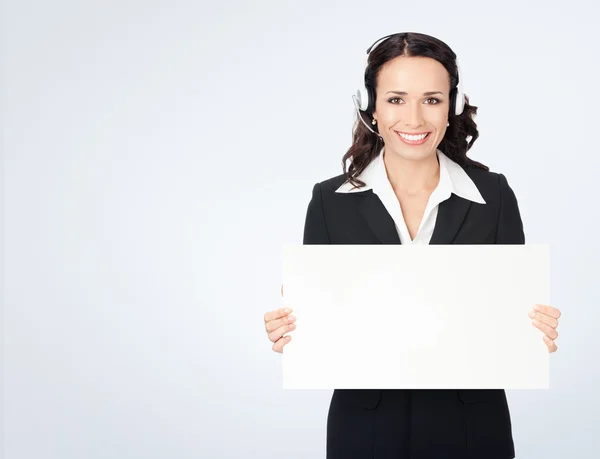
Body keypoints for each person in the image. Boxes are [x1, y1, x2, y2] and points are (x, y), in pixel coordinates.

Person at [263, 32, 562, 459]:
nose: (415, 119)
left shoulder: (493, 197)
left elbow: (511, 311)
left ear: (453, 106)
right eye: (397, 99)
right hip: (364, 428)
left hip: (471, 428)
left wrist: (533, 330)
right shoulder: (329, 201)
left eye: (433, 100)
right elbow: (320, 319)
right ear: (372, 106)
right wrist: (292, 329)